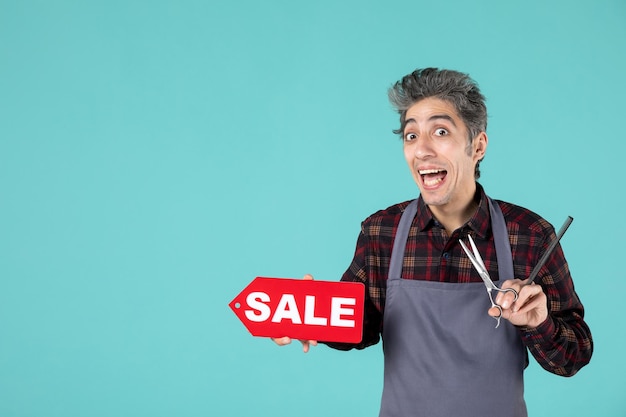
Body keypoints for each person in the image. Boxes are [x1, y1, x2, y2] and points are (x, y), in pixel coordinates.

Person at [273, 68, 593, 417]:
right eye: (411, 136)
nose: (422, 149)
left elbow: (573, 357)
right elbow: (359, 327)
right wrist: (310, 320)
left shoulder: (530, 236)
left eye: (440, 131)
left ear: (478, 146)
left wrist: (539, 322)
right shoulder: (382, 232)